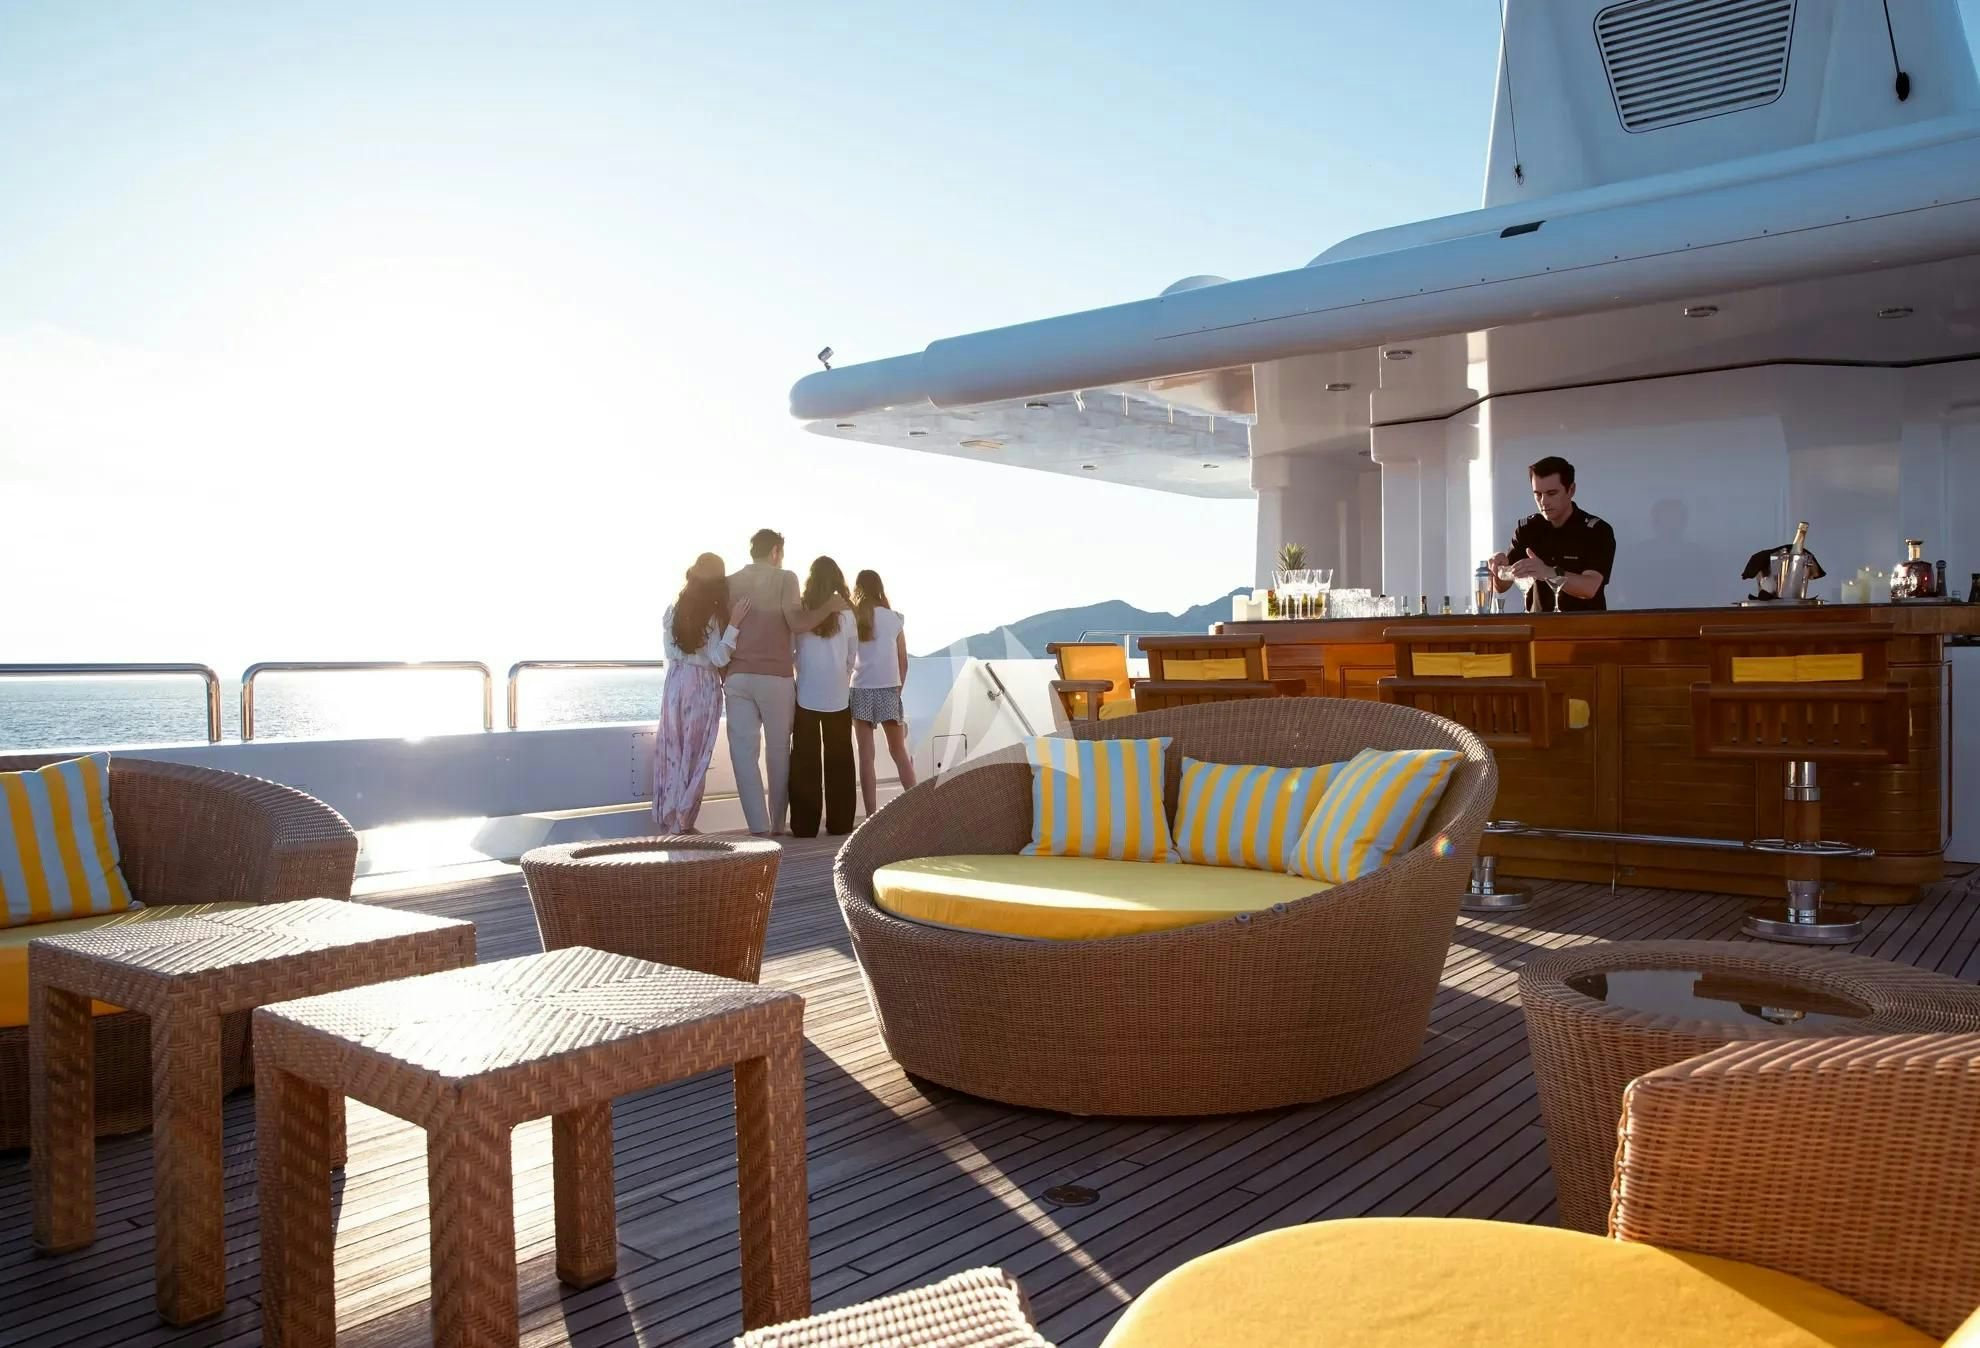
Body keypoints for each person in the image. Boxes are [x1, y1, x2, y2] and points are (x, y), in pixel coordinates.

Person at [725, 528, 847, 836]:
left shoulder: (730, 582)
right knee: (778, 751)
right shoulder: (785, 578)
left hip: (736, 677)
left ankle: (758, 827)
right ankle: (778, 824)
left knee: (743, 754)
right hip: (775, 678)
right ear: (776, 551)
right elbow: (798, 622)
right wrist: (829, 608)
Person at [652, 554, 749, 833]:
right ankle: (683, 821)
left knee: (672, 749)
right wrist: (735, 625)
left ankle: (670, 815)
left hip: (675, 682)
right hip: (702, 685)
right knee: (695, 755)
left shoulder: (674, 610)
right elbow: (718, 658)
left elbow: (670, 651)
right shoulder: (715, 615)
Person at [1491, 455, 1617, 613]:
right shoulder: (1528, 529)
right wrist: (1498, 568)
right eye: (1537, 494)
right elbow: (1501, 587)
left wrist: (1548, 572)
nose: (1543, 502)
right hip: (1539, 631)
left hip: (1585, 631)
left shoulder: (1596, 531)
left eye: (1551, 493)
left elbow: (1589, 588)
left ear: (1571, 490)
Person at [788, 556, 858, 838]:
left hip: (806, 692)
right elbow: (851, 656)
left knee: (805, 761)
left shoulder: (803, 611)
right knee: (840, 761)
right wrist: (842, 675)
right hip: (839, 695)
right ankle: (840, 823)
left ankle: (804, 826)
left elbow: (793, 651)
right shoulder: (847, 614)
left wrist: (802, 671)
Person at [849, 569, 916, 819]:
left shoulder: (855, 618)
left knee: (866, 756)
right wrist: (896, 692)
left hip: (861, 689)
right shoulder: (895, 619)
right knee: (898, 752)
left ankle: (870, 816)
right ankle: (917, 806)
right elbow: (903, 662)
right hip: (888, 689)